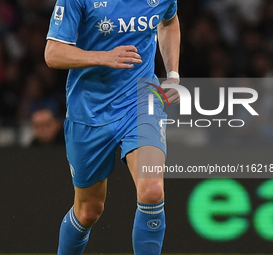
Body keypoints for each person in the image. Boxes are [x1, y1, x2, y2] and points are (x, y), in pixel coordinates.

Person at [44, 0, 180, 254]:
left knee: (152, 189)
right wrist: (103, 57)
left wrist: (173, 74)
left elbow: (169, 20)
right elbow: (52, 53)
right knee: (89, 210)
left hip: (140, 101)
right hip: (89, 111)